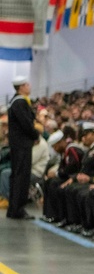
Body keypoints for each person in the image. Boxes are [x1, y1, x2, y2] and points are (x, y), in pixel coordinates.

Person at [6, 76, 40, 219]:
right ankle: (17, 209)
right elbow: (26, 123)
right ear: (21, 87)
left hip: (19, 144)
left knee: (18, 175)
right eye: (26, 84)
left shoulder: (17, 101)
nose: (29, 86)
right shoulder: (19, 102)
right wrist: (36, 135)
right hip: (22, 144)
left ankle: (15, 208)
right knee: (21, 176)